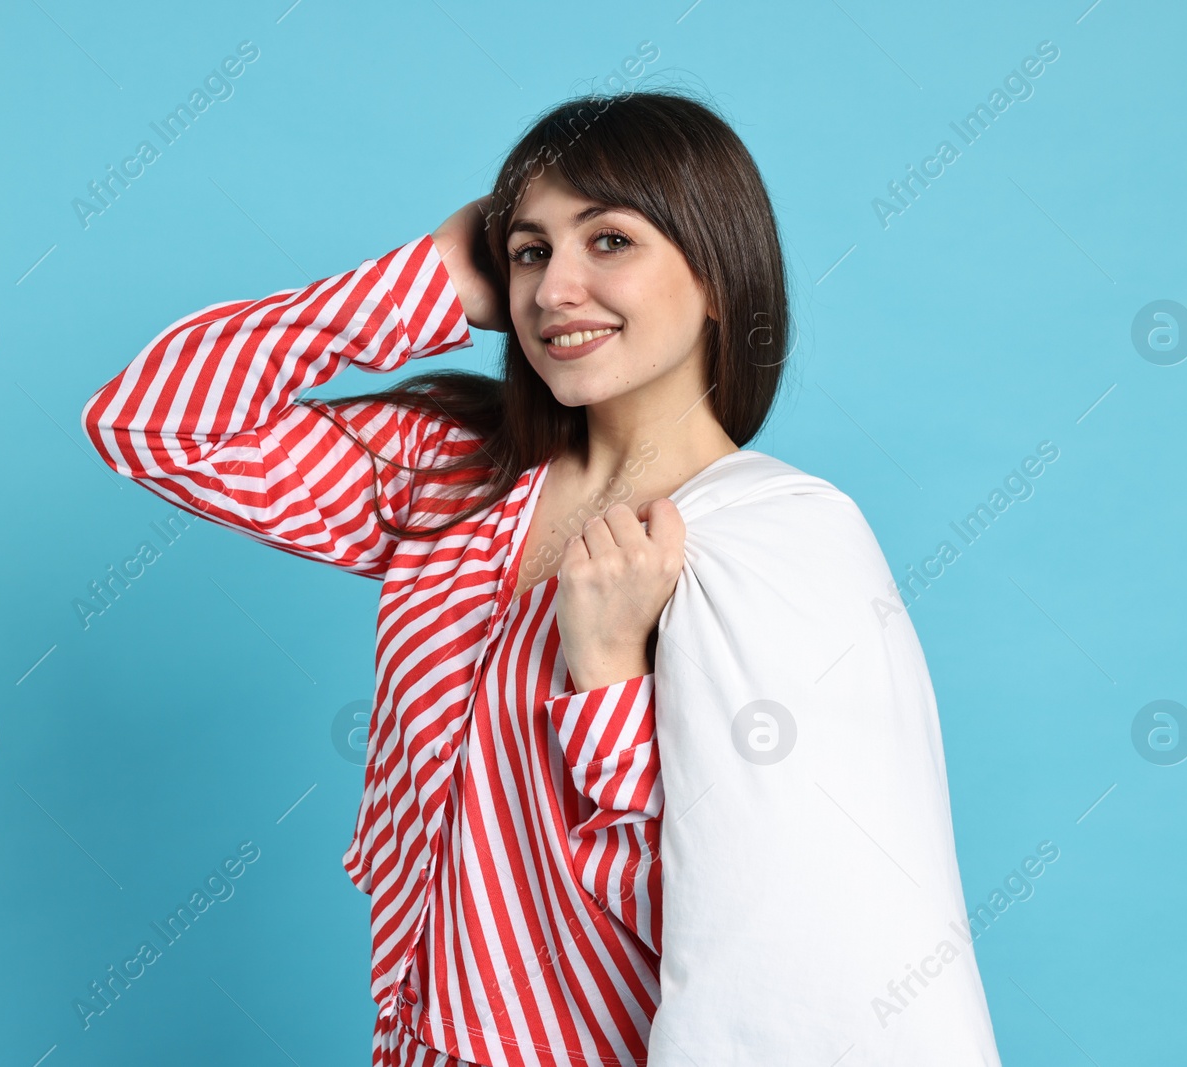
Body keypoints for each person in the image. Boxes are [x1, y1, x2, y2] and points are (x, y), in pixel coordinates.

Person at [83, 88, 998, 1066]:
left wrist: (603, 675)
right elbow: (154, 421)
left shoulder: (776, 539)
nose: (555, 289)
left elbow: (765, 919)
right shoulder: (453, 478)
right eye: (528, 250)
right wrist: (423, 282)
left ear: (719, 272)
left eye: (609, 241)